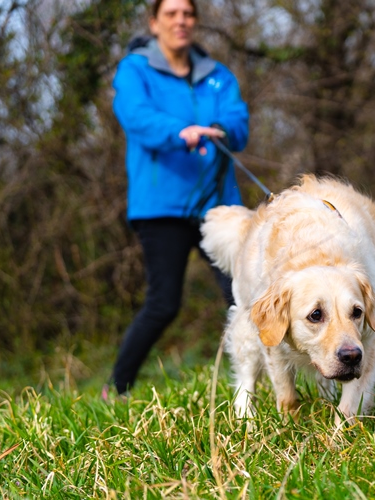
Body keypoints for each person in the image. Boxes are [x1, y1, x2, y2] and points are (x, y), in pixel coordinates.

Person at [107, 0, 249, 396]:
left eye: (187, 13)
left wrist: (220, 127)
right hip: (161, 207)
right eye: (171, 13)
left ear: (195, 22)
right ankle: (116, 388)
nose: (180, 21)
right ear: (154, 23)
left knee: (246, 294)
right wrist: (181, 131)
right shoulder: (135, 69)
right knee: (163, 303)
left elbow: (239, 120)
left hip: (219, 207)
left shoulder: (217, 76)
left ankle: (264, 382)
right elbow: (135, 116)